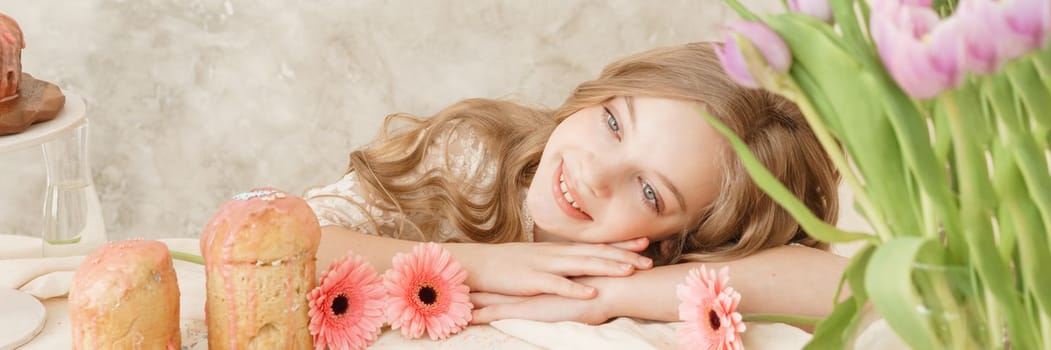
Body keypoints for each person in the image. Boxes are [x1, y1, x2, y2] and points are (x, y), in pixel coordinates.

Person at [306, 42, 848, 327]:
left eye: (650, 192)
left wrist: (609, 294)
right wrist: (485, 262)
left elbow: (851, 290)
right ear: (600, 93)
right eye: (613, 123)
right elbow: (282, 241)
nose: (595, 172)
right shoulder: (474, 156)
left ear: (685, 237)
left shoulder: (657, 267)